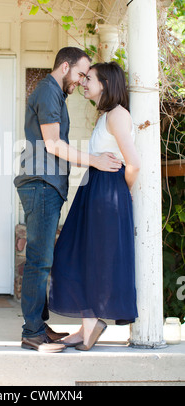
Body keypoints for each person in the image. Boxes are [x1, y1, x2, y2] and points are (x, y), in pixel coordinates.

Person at [14, 48, 122, 353]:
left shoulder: (54, 94)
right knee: (39, 259)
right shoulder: (49, 92)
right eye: (79, 75)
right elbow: (53, 144)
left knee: (45, 257)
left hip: (47, 186)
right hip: (41, 185)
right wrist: (94, 161)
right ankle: (31, 333)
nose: (80, 82)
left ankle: (39, 326)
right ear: (65, 66)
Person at [49, 61, 140, 351]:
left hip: (107, 190)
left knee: (95, 258)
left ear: (106, 83)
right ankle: (87, 324)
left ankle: (90, 325)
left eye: (90, 79)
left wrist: (122, 191)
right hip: (94, 189)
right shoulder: (105, 116)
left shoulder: (118, 115)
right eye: (84, 78)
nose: (84, 83)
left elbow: (134, 163)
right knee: (74, 254)